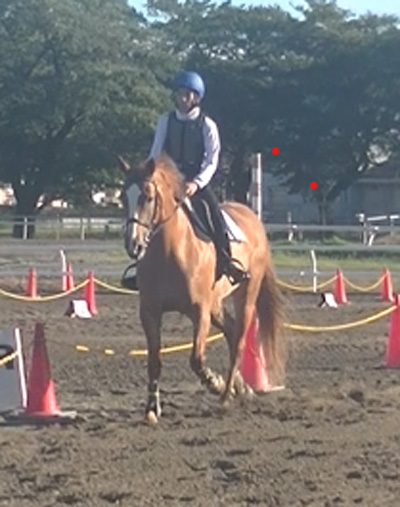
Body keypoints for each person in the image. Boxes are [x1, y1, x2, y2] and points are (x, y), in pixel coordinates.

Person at [148, 70, 250, 285]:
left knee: (214, 214)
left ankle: (226, 260)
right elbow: (155, 153)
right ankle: (142, 266)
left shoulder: (207, 125)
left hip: (195, 182)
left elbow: (212, 160)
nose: (182, 99)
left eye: (187, 95)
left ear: (196, 98)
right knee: (146, 214)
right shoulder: (165, 121)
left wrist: (196, 183)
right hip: (169, 182)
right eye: (179, 94)